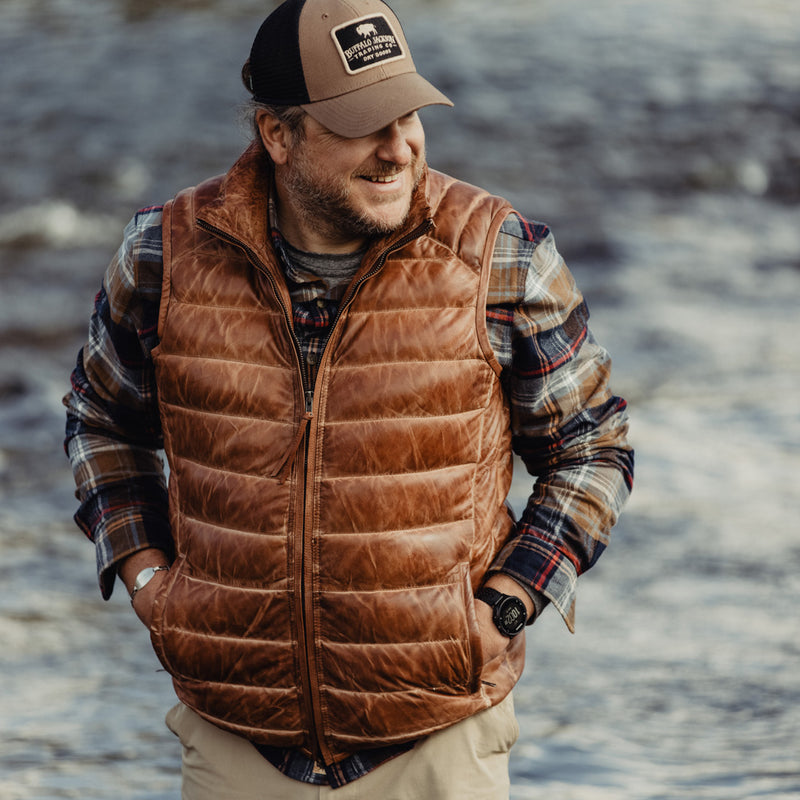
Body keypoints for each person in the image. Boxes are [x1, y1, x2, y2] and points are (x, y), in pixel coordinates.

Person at [63, 0, 634, 797]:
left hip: (438, 742)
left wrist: (508, 604)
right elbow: (101, 420)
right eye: (365, 124)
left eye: (409, 114)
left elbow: (593, 446)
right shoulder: (164, 255)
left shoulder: (500, 256)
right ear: (278, 134)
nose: (399, 147)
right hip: (237, 742)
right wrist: (148, 579)